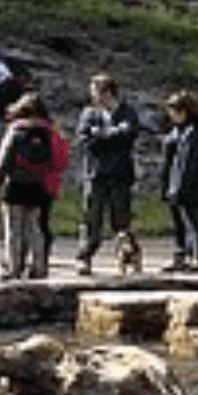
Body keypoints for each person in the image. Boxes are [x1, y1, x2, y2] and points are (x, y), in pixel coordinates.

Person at [0, 92, 68, 280]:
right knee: (35, 229)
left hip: (16, 187)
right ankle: (39, 267)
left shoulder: (15, 130)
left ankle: (14, 268)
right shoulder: (50, 132)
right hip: (38, 187)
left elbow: (3, 161)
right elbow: (57, 161)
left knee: (14, 231)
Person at [74, 72, 142, 276]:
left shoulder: (127, 112)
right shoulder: (88, 114)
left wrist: (102, 135)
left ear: (109, 93)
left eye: (99, 93)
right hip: (96, 174)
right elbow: (85, 141)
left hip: (120, 174)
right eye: (93, 93)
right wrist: (109, 135)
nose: (95, 98)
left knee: (121, 219)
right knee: (91, 218)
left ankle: (127, 257)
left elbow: (128, 136)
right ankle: (85, 257)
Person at [157, 89, 198, 273]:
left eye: (174, 112)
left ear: (184, 112)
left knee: (192, 222)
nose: (171, 117)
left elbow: (190, 164)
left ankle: (197, 258)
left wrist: (181, 187)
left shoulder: (196, 134)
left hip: (191, 186)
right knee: (179, 224)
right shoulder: (178, 132)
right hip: (175, 184)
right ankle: (181, 256)